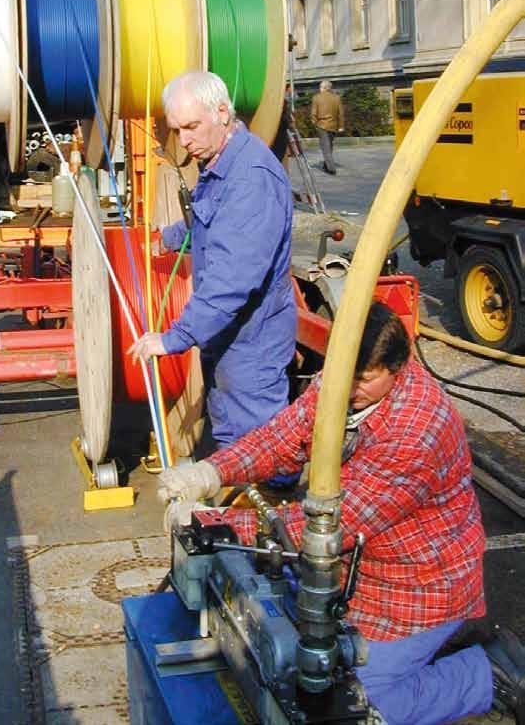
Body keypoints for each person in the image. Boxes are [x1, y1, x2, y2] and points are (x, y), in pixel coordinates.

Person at [156, 302, 525, 725]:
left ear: (398, 366)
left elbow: (332, 526)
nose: (348, 391)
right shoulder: (345, 380)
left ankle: (485, 674)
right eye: (344, 375)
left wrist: (212, 522)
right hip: (356, 574)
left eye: (363, 380)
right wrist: (211, 472)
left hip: (416, 593)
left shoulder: (417, 431)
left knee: (348, 712)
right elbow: (284, 437)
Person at [128, 70, 296, 450]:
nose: (184, 142)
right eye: (177, 130)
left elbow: (231, 278)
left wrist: (176, 338)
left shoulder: (250, 178)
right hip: (230, 335)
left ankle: (273, 503)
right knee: (231, 434)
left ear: (222, 112)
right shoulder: (222, 164)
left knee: (260, 442)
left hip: (252, 338)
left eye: (191, 127)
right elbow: (214, 225)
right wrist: (169, 239)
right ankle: (240, 501)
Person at [311, 79, 344, 175]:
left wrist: (314, 123)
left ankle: (331, 168)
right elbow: (340, 113)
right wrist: (341, 126)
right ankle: (326, 165)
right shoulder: (337, 98)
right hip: (333, 125)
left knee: (326, 148)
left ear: (324, 88)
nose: (319, 88)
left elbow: (313, 113)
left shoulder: (316, 97)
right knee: (329, 146)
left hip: (322, 125)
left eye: (320, 87)